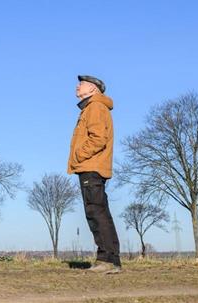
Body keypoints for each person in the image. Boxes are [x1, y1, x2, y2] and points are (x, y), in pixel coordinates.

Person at [68, 74, 121, 273]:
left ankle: (107, 260)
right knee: (99, 212)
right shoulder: (92, 107)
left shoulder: (95, 107)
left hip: (91, 166)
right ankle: (111, 260)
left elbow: (99, 138)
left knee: (95, 213)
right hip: (91, 166)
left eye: (81, 84)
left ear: (93, 89)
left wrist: (79, 155)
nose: (77, 86)